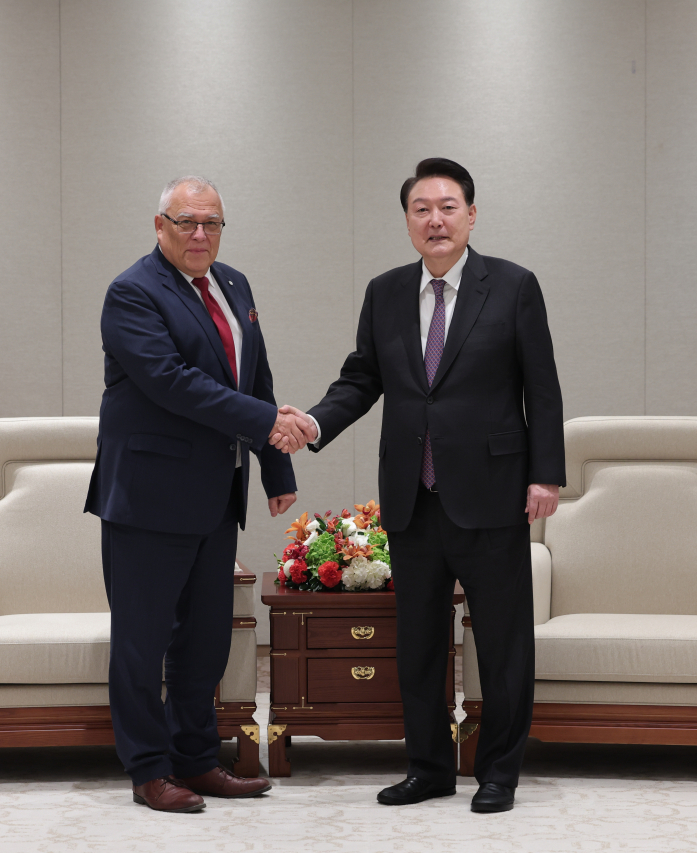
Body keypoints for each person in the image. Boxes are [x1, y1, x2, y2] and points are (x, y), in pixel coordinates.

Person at [275, 158, 565, 813]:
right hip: (412, 496)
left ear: (470, 214)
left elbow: (541, 389)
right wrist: (314, 422)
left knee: (503, 641)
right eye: (421, 209)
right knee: (420, 644)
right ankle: (429, 765)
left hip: (491, 493)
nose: (435, 219)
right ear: (408, 220)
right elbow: (361, 379)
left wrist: (546, 473)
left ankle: (498, 772)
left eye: (448, 206)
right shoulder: (385, 293)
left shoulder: (514, 287)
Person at [85, 176, 307, 813]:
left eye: (211, 223)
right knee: (142, 642)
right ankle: (149, 771)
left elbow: (254, 376)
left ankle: (196, 759)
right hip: (148, 500)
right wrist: (267, 422)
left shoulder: (233, 285)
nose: (200, 235)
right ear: (159, 226)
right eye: (187, 223)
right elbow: (173, 383)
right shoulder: (133, 292)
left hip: (214, 497)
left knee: (205, 639)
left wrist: (276, 469)